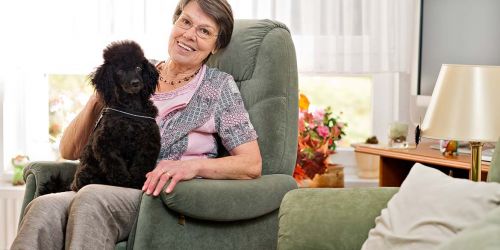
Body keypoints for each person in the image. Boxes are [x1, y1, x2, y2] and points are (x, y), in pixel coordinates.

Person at [11, 0, 262, 249]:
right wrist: (98, 99)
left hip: (162, 198)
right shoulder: (137, 71)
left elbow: (251, 164)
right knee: (44, 206)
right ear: (175, 22)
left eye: (204, 31)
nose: (188, 35)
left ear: (216, 45)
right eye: (185, 21)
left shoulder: (219, 87)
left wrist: (192, 167)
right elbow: (68, 151)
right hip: (107, 184)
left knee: (91, 198)